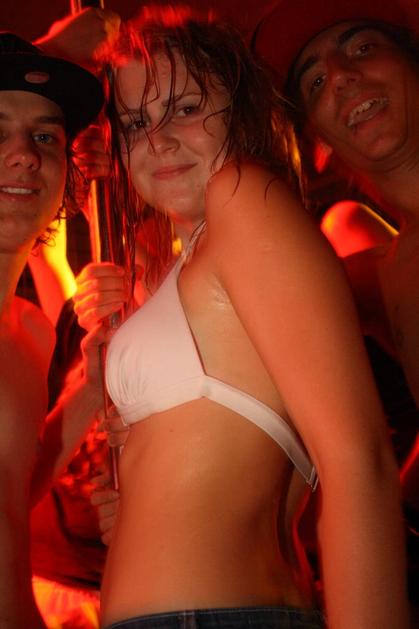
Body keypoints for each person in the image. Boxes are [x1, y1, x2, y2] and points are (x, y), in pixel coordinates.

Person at [72, 6, 409, 629]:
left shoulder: (243, 197)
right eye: (135, 122)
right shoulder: (200, 257)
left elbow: (358, 460)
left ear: (241, 110)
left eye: (185, 107)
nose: (158, 139)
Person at [254, 0, 419, 616]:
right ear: (318, 143)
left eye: (364, 48)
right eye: (316, 81)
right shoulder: (380, 277)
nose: (343, 76)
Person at [0, 31, 104, 627]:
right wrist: (60, 42)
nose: (24, 155)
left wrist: (89, 386)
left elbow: (13, 493)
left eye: (44, 137)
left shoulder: (31, 333)